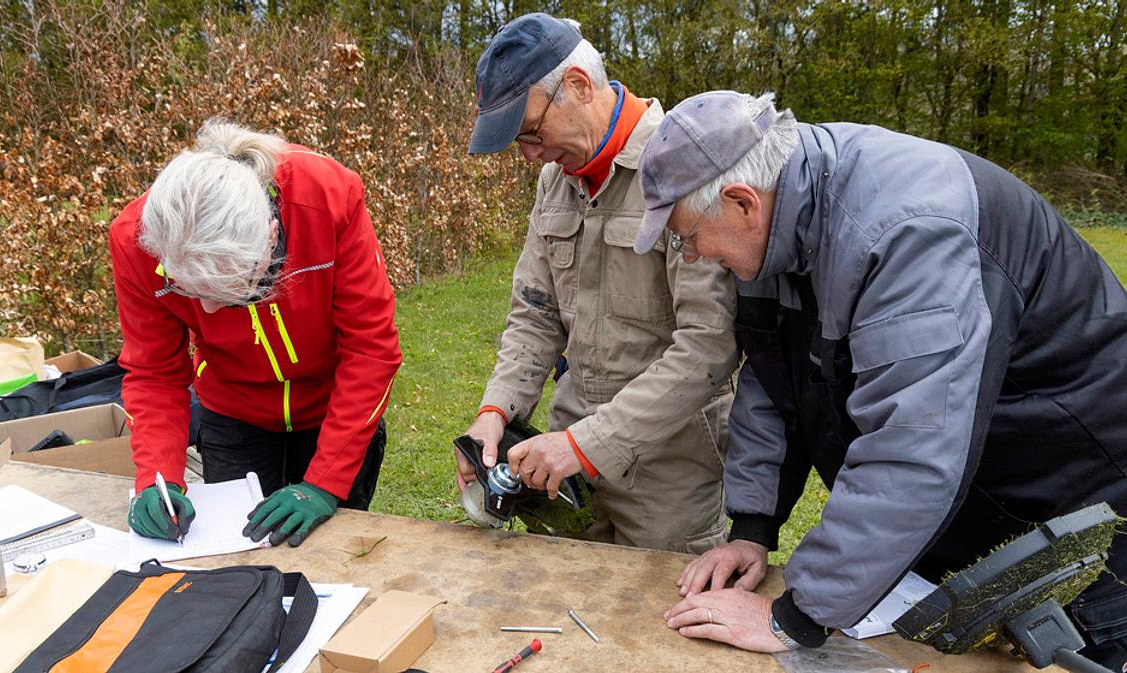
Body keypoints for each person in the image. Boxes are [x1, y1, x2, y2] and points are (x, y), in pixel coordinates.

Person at [632, 90, 1127, 668]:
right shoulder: (774, 232)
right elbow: (772, 382)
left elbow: (913, 448)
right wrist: (754, 526)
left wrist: (796, 615)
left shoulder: (909, 230)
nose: (690, 255)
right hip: (969, 501)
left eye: (687, 236)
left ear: (742, 203)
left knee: (1082, 654)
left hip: (1081, 500)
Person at [458, 13, 740, 553]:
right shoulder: (555, 182)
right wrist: (496, 412)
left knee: (657, 625)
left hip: (668, 471)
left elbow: (709, 345)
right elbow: (535, 313)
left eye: (532, 134)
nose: (530, 156)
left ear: (579, 87)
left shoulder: (683, 165)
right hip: (564, 459)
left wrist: (586, 445)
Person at [110, 119, 401, 548]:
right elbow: (155, 373)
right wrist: (159, 477)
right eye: (190, 292)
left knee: (331, 552)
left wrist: (324, 482)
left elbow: (370, 349)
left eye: (229, 296)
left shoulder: (329, 196)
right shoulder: (134, 239)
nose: (207, 311)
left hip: (333, 407)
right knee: (239, 552)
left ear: (269, 242)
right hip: (233, 410)